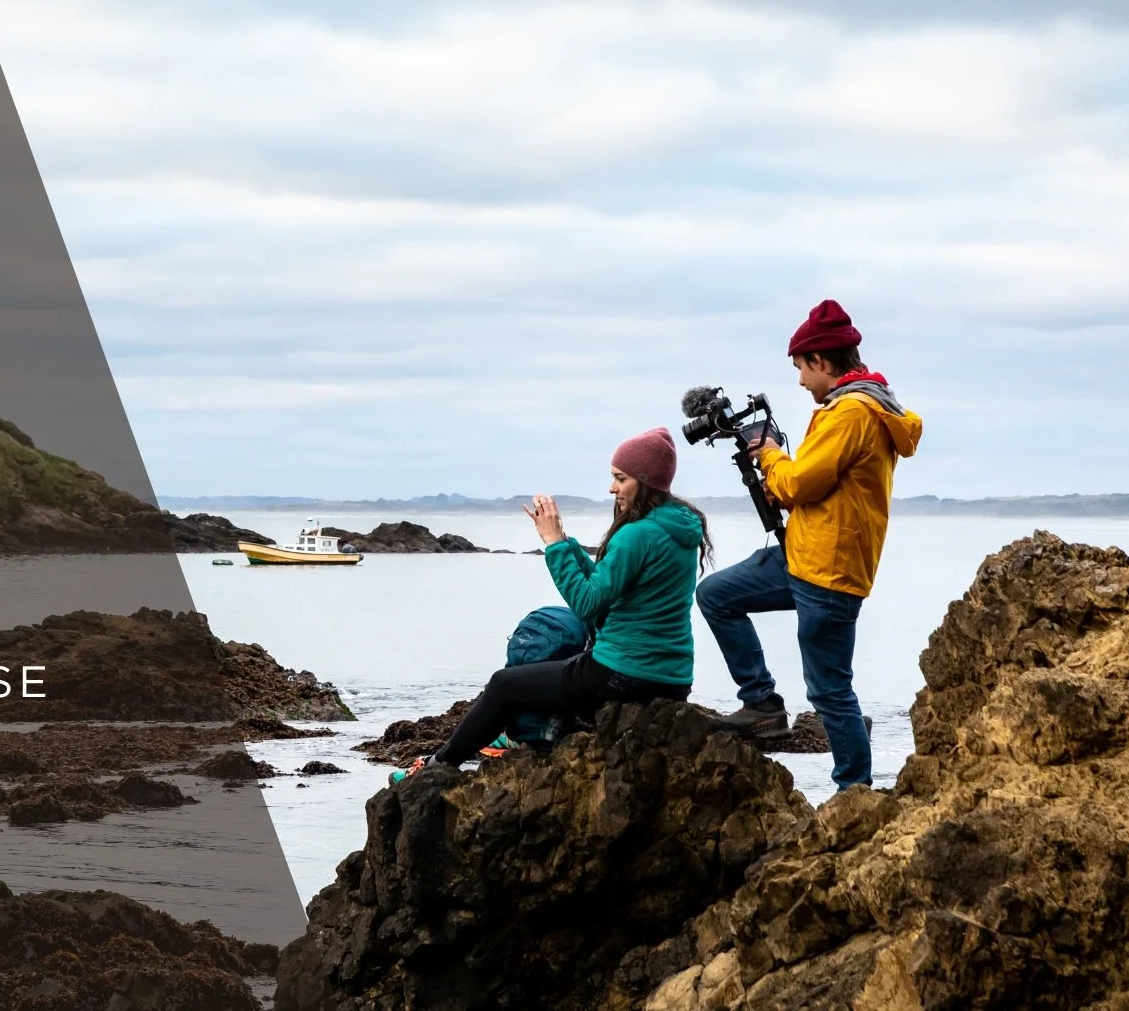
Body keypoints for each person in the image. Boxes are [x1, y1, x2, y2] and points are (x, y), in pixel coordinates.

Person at [391, 428, 707, 782]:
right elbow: (606, 585)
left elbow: (587, 603)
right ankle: (538, 738)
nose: (612, 488)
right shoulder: (676, 527)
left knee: (504, 685)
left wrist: (553, 544)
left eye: (620, 478)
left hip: (625, 675)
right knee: (558, 665)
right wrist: (568, 543)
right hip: (672, 678)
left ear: (645, 480)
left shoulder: (638, 534)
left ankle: (437, 768)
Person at [697, 299, 923, 791]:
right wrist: (777, 465)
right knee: (715, 595)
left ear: (821, 360)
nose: (800, 381)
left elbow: (798, 485)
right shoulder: (865, 406)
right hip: (804, 556)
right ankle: (761, 704)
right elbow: (815, 484)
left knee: (830, 692)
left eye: (801, 368)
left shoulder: (851, 413)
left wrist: (772, 456)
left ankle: (853, 793)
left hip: (829, 574)